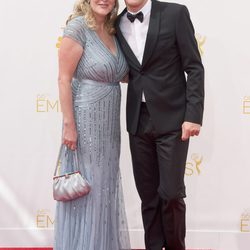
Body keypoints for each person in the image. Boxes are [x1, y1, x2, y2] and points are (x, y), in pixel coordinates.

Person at [116, 0, 204, 249]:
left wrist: (193, 115)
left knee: (171, 193)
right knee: (149, 197)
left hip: (174, 119)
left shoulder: (175, 13)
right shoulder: (116, 22)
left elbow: (194, 67)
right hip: (138, 119)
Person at [54, 0, 131, 249]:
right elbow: (64, 79)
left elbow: (128, 74)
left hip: (109, 124)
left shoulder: (113, 31)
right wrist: (69, 125)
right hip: (85, 121)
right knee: (89, 187)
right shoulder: (78, 27)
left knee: (105, 188)